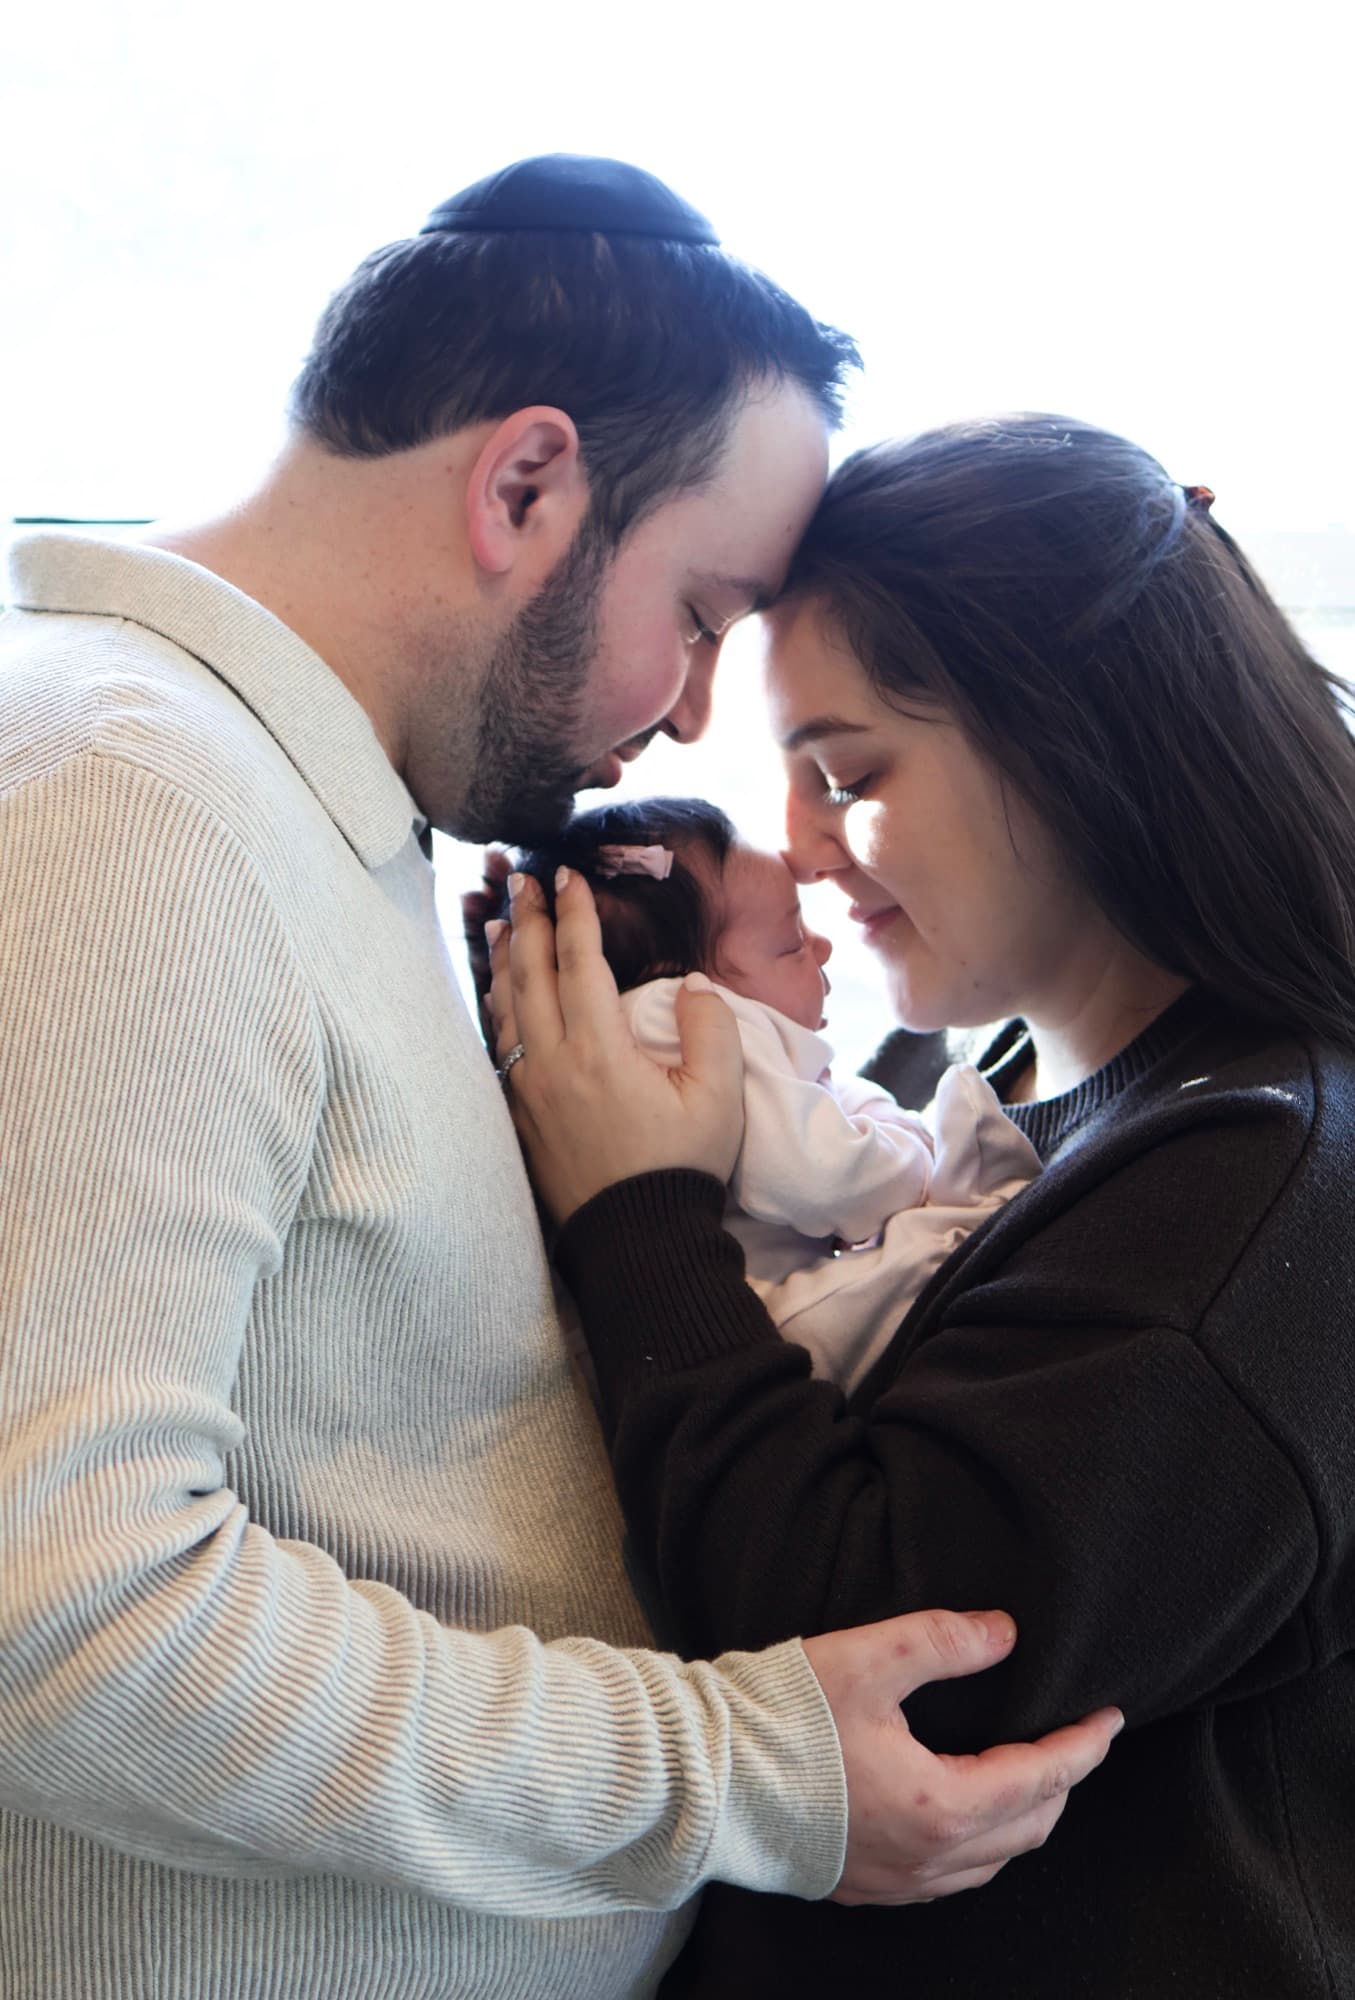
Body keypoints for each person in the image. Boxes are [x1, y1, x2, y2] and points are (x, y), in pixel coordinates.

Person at [0, 161, 1120, 2000]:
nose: (689, 712)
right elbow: (61, 1610)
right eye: (705, 610)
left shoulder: (287, 810)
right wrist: (739, 1773)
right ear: (524, 486)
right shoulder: (126, 806)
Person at [491, 413, 1355, 1996]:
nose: (800, 849)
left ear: (1077, 738)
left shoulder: (1253, 1189)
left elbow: (863, 1658)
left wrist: (633, 1213)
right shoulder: (993, 1085)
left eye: (844, 773)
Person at [510, 795, 1039, 1394]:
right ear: (679, 976)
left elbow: (824, 1100)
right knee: (914, 1270)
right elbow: (823, 1175)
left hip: (664, 1329)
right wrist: (913, 1161)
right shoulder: (691, 1016)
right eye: (790, 944)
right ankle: (978, 1205)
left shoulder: (615, 1029)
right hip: (745, 1324)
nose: (822, 946)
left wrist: (873, 1117)